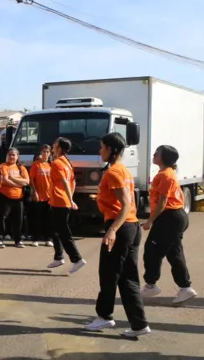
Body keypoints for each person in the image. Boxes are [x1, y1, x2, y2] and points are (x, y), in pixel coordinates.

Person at [85, 132, 149, 338]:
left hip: (120, 227)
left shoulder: (114, 172)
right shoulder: (123, 171)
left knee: (109, 273)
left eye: (102, 147)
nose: (99, 150)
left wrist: (112, 230)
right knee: (128, 277)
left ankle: (104, 316)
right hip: (130, 226)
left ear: (112, 150)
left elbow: (126, 204)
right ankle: (139, 324)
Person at [140, 145, 197, 304]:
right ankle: (185, 288)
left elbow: (163, 202)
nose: (154, 154)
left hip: (170, 217)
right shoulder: (165, 173)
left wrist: (150, 221)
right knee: (173, 252)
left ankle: (151, 285)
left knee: (152, 250)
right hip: (173, 217)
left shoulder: (166, 175)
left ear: (164, 157)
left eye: (157, 153)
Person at [47, 137, 86, 273]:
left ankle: (77, 259)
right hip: (59, 200)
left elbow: (64, 182)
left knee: (64, 232)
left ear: (60, 148)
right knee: (55, 229)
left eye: (55, 144)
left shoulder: (58, 163)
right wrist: (70, 198)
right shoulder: (67, 162)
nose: (52, 146)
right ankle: (58, 257)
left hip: (60, 201)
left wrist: (69, 200)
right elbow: (73, 182)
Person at [0, 148, 30, 249]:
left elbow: (27, 181)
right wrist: (19, 183)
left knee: (18, 220)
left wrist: (13, 179)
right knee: (2, 219)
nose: (11, 157)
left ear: (17, 157)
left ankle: (18, 240)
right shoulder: (3, 166)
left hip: (19, 198)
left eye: (14, 155)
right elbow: (5, 180)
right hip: (5, 197)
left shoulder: (21, 168)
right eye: (10, 155)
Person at [27, 146, 54, 247]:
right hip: (39, 195)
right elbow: (32, 179)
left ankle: (48, 238)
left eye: (47, 152)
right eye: (44, 151)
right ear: (40, 153)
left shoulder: (51, 165)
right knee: (37, 218)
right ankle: (35, 238)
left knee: (49, 218)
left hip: (49, 196)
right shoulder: (36, 165)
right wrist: (34, 192)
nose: (46, 153)